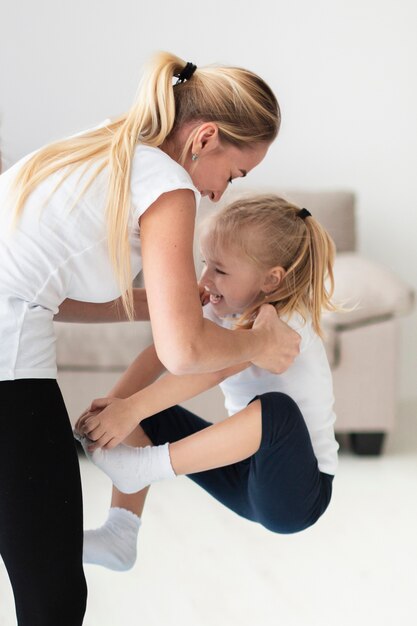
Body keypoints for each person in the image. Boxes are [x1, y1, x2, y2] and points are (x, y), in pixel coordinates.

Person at [0, 51, 300, 626]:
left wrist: (158, 304)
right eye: (234, 175)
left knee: (37, 562)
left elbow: (42, 290)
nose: (220, 193)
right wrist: (259, 345)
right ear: (206, 137)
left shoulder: (101, 147)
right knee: (53, 590)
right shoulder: (167, 183)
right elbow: (184, 351)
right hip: (9, 365)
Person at [76, 194, 340, 573]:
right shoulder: (221, 312)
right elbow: (162, 354)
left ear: (271, 280)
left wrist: (131, 409)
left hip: (298, 494)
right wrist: (114, 408)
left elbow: (214, 370)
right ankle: (121, 532)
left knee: (275, 412)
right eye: (205, 264)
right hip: (241, 476)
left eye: (220, 270)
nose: (204, 280)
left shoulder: (283, 323)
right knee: (146, 408)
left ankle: (147, 466)